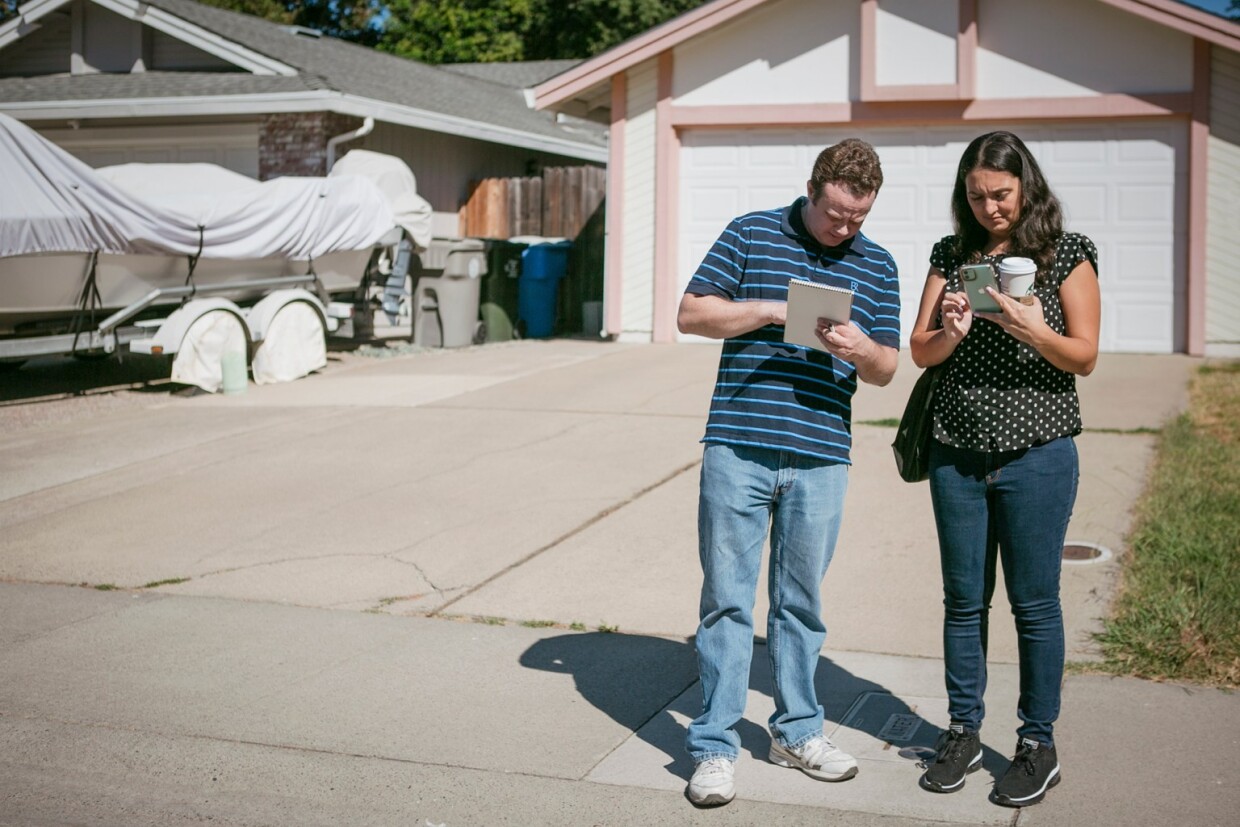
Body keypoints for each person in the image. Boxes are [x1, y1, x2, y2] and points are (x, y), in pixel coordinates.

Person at [677, 138, 901, 807]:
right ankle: (714, 746)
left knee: (801, 605)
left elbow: (889, 368)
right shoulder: (750, 232)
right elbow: (692, 313)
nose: (843, 228)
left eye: (856, 218)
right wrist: (774, 311)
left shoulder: (878, 263)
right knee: (726, 600)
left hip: (822, 452)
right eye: (835, 213)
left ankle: (797, 730)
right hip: (739, 443)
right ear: (812, 190)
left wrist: (863, 348)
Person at [908, 131, 1100, 807]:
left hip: (1038, 454)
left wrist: (1029, 326)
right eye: (977, 196)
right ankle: (962, 729)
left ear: (1027, 188)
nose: (990, 207)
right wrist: (953, 328)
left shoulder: (1065, 253)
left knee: (1034, 604)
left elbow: (1083, 356)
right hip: (958, 453)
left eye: (1002, 194)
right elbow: (920, 352)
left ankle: (1037, 742)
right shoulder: (951, 255)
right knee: (963, 602)